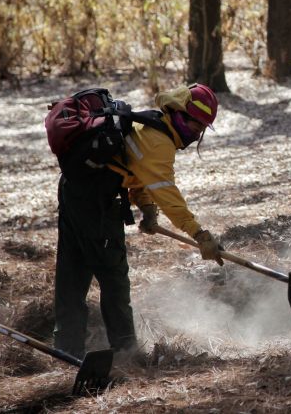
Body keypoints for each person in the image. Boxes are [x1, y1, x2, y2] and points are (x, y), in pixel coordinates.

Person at [53, 83, 225, 359]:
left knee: (73, 273)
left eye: (201, 129)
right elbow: (168, 194)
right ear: (179, 114)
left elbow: (135, 168)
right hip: (96, 201)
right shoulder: (160, 142)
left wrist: (146, 207)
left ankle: (66, 349)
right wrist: (200, 234)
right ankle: (126, 351)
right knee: (114, 278)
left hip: (76, 190)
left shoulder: (151, 125)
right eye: (195, 126)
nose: (196, 134)